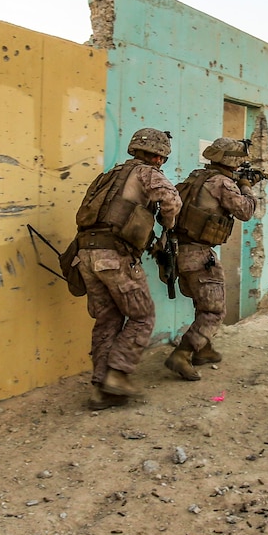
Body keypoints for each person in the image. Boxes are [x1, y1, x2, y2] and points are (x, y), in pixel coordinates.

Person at [71, 128, 181, 410]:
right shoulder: (147, 172)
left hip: (85, 255)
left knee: (107, 319)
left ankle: (100, 388)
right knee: (142, 316)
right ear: (158, 157)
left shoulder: (108, 176)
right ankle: (118, 375)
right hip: (115, 257)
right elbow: (172, 201)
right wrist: (168, 227)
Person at [163, 137, 257, 380]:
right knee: (214, 311)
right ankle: (183, 353)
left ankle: (203, 350)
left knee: (203, 303)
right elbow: (245, 211)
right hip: (199, 254)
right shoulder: (223, 183)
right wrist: (247, 187)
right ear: (233, 161)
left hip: (178, 251)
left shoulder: (196, 177)